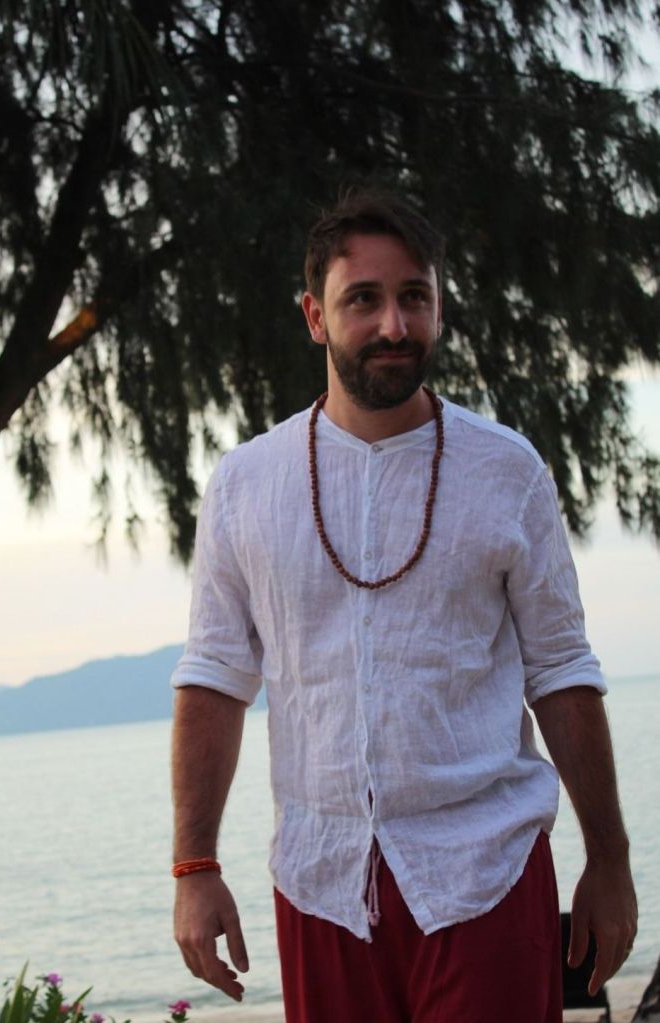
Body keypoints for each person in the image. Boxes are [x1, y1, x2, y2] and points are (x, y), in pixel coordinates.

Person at [170, 190, 637, 1023]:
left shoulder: (507, 470)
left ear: (439, 307)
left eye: (413, 296)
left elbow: (561, 670)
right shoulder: (245, 484)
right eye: (363, 299)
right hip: (321, 882)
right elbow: (214, 676)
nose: (393, 324)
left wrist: (608, 859)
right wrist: (194, 866)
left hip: (485, 872)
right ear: (314, 316)